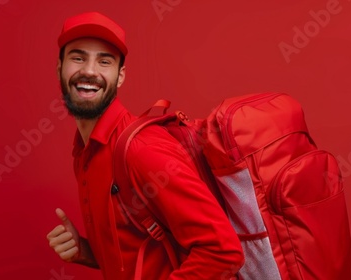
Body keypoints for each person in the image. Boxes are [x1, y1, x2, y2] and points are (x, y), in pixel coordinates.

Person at [46, 11, 244, 280]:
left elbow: (224, 252)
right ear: (60, 69)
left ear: (120, 76)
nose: (89, 71)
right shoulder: (84, 152)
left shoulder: (142, 150)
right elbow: (133, 253)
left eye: (105, 61)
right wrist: (85, 251)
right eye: (78, 57)